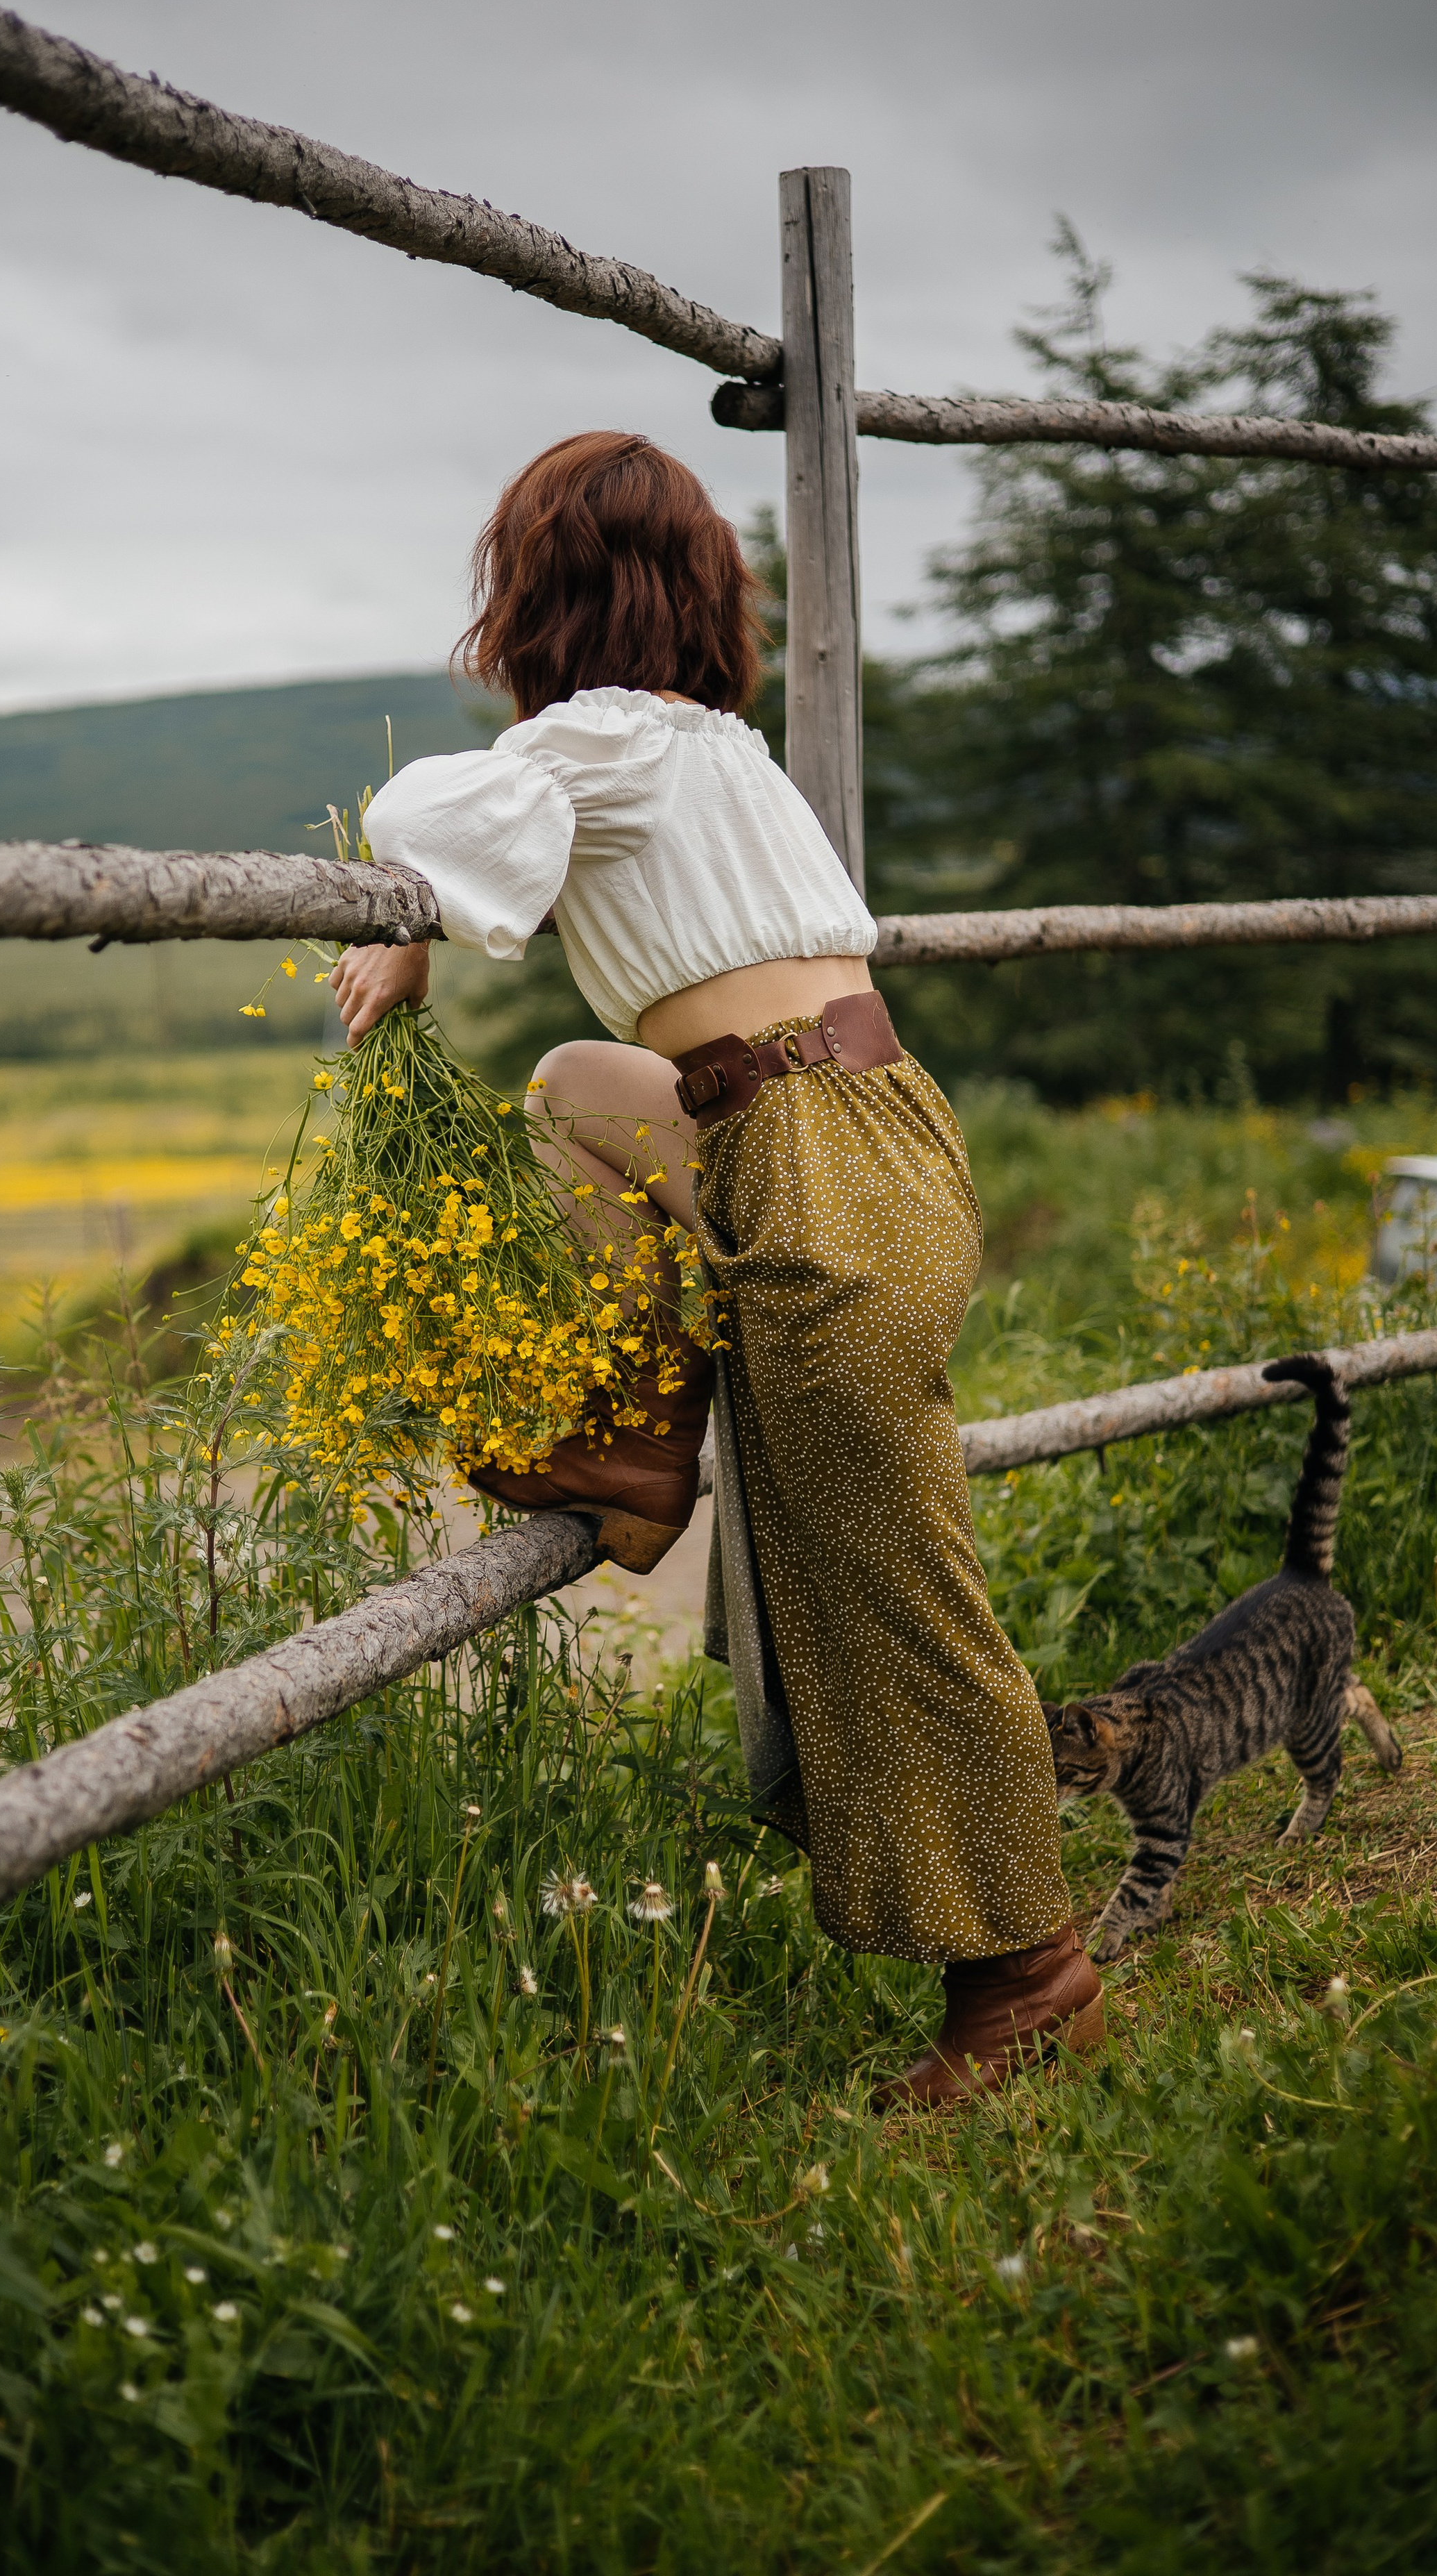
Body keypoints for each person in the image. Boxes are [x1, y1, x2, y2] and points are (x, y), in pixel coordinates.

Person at [331, 429, 1102, 2107]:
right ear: (696, 589)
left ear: (539, 587)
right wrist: (436, 913)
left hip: (812, 1167)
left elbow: (430, 805)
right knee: (569, 1087)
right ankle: (627, 1443)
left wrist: (403, 913)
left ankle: (1028, 1977)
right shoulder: (713, 750)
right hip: (864, 1133)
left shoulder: (591, 741)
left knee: (894, 1592)